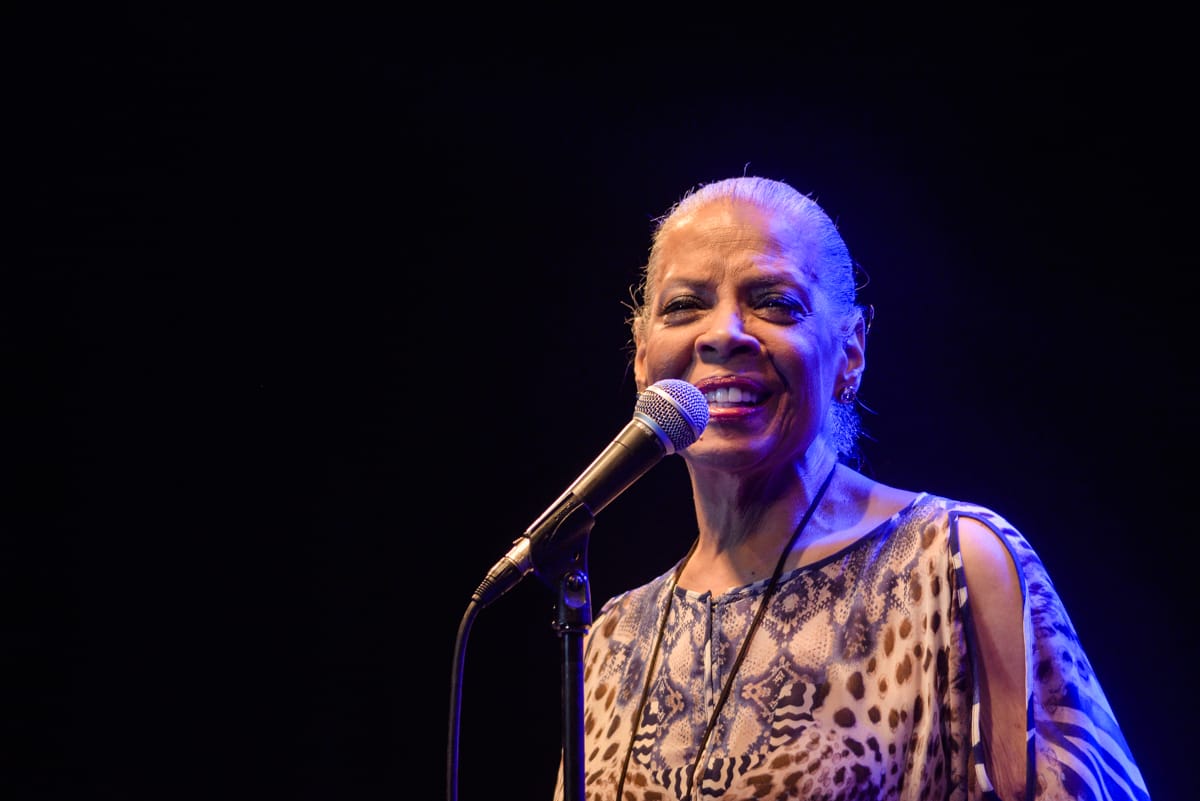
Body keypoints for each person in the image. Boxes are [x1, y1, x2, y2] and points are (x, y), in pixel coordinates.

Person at [552, 176, 1149, 801]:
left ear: (850, 353)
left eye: (775, 302)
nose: (723, 332)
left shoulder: (949, 565)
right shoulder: (611, 639)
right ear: (643, 358)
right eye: (683, 306)